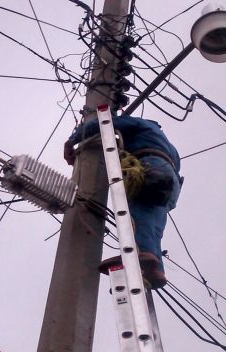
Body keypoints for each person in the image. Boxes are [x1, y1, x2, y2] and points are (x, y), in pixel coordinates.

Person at [64, 115, 182, 289]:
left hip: (151, 166)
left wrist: (72, 140)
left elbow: (106, 122)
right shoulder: (170, 147)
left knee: (139, 213)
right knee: (154, 225)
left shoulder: (142, 125)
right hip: (170, 183)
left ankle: (140, 254)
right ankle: (155, 270)